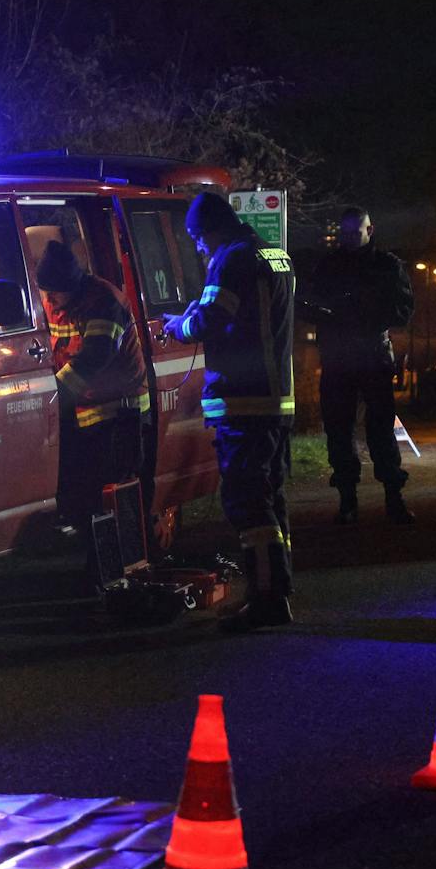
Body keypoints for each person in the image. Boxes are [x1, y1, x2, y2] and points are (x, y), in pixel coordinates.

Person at [162, 192, 296, 631]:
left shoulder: (231, 258)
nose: (200, 249)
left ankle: (265, 601)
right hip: (276, 399)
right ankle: (277, 588)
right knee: (270, 498)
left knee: (246, 500)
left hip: (243, 399)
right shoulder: (276, 256)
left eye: (199, 239)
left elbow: (210, 320)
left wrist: (176, 326)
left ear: (209, 229)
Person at [35, 240, 149, 589]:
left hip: (118, 411)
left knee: (110, 494)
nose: (49, 302)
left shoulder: (103, 301)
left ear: (71, 286)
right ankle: (98, 569)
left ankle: (116, 573)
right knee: (85, 493)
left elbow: (94, 358)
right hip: (86, 410)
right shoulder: (59, 298)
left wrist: (52, 395)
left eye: (54, 294)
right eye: (46, 293)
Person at [300, 207, 416, 524]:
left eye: (356, 232)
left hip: (371, 356)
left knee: (380, 430)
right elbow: (307, 305)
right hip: (340, 357)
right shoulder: (329, 266)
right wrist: (334, 314)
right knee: (339, 430)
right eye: (346, 233)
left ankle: (393, 497)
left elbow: (403, 310)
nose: (350, 238)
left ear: (370, 230)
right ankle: (348, 501)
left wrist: (363, 313)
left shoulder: (386, 266)